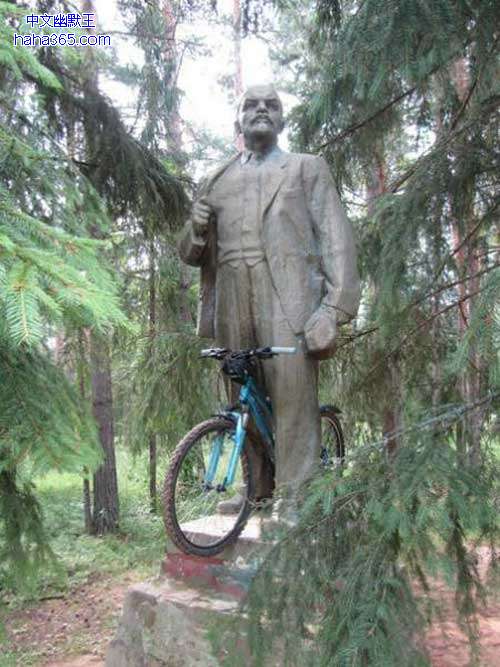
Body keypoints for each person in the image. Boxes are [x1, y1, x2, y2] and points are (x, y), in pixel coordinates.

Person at [179, 84, 360, 520]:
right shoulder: (216, 179)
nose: (261, 110)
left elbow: (336, 238)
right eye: (251, 105)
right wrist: (196, 228)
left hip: (286, 295)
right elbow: (189, 253)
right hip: (231, 295)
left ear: (282, 119)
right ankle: (257, 490)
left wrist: (334, 308)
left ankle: (298, 495)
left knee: (292, 394)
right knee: (243, 396)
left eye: (271, 105)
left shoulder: (306, 168)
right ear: (238, 119)